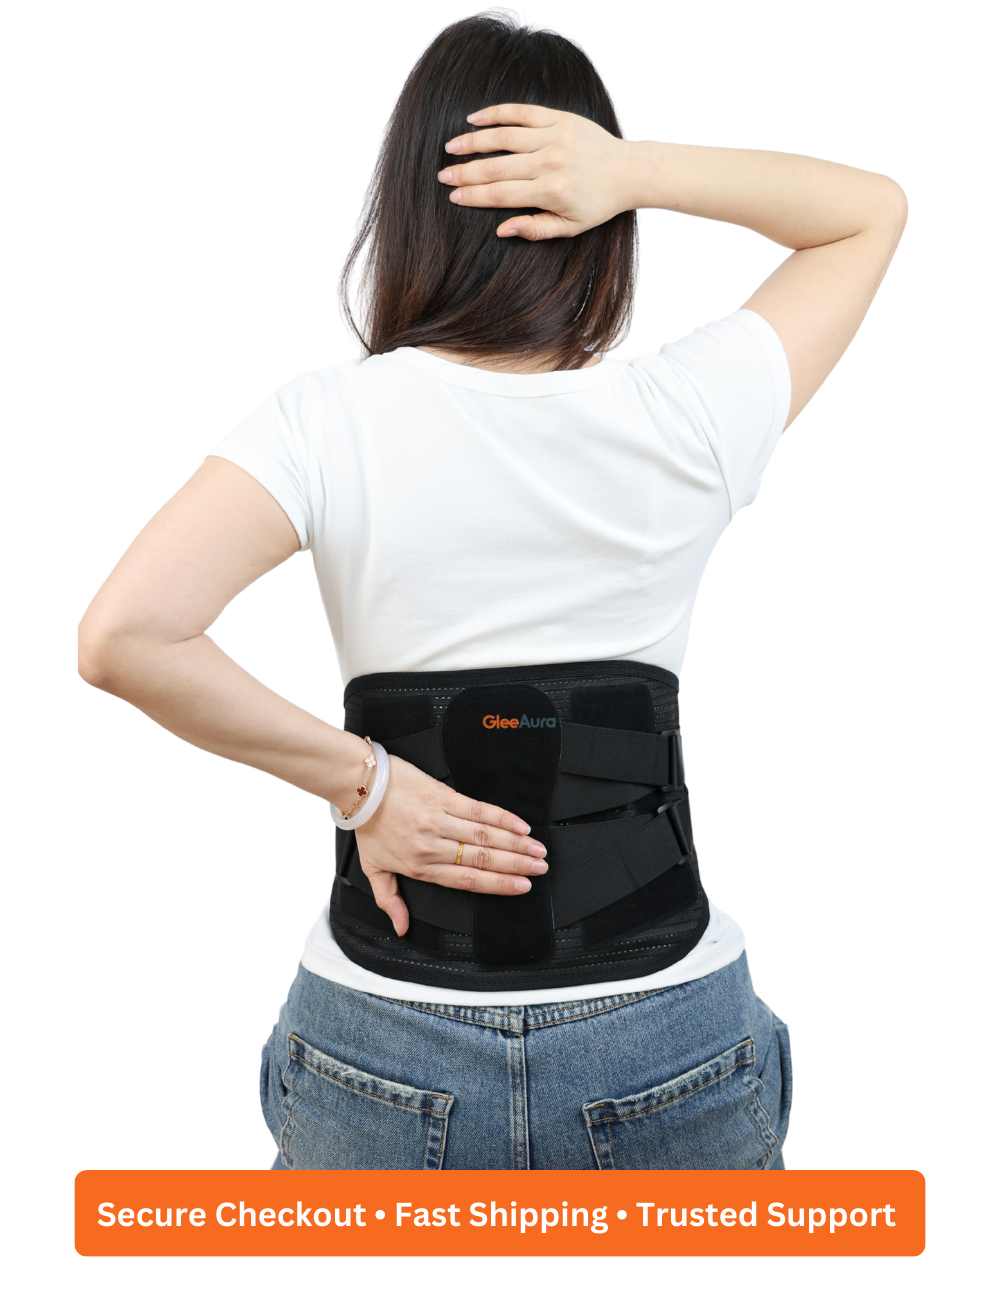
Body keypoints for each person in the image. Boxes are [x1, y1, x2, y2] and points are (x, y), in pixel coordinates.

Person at [76, 10, 907, 1171]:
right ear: (595, 217)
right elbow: (870, 208)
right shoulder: (687, 411)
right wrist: (631, 171)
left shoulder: (325, 420)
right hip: (665, 1041)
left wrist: (364, 784)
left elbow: (124, 636)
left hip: (377, 1042)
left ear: (402, 204)